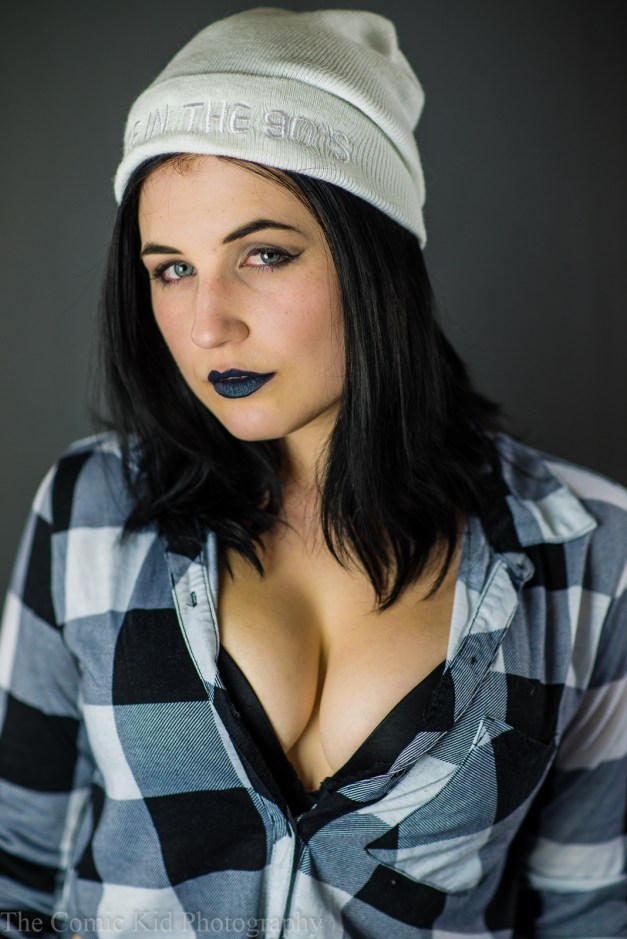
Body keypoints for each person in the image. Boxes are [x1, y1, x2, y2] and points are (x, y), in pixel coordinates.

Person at [0, 8, 625, 939]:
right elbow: (17, 855)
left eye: (263, 254)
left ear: (375, 256)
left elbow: (590, 907)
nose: (208, 324)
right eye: (171, 269)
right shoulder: (89, 508)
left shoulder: (589, 550)